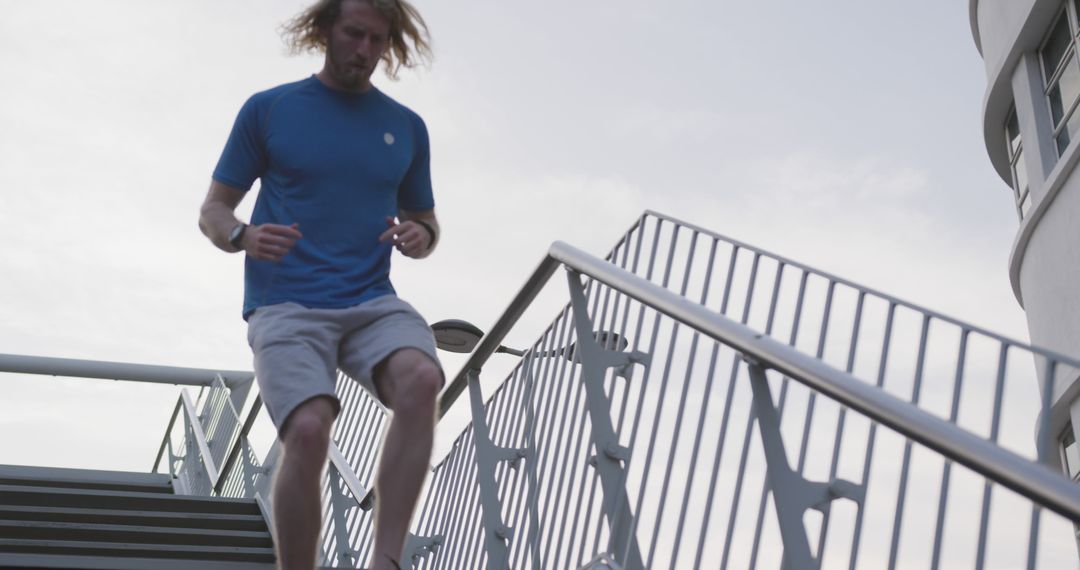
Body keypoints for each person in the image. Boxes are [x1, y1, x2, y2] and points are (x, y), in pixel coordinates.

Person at [198, 1, 440, 568]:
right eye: (353, 34)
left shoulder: (405, 127)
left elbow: (427, 222)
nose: (363, 50)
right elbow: (212, 209)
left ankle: (386, 558)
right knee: (308, 431)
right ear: (325, 30)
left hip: (371, 302)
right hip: (284, 305)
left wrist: (418, 236)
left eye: (376, 41)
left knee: (423, 377)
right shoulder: (270, 110)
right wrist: (242, 236)